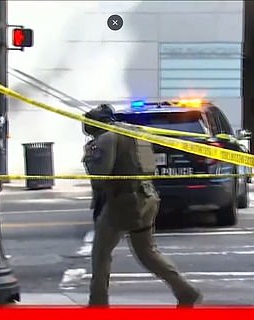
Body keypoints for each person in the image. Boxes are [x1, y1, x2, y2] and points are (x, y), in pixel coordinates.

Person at [81, 104, 202, 307]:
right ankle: (185, 291)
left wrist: (88, 157)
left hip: (122, 201)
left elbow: (100, 174)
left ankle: (98, 303)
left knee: (101, 253)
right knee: (148, 253)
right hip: (145, 196)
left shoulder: (108, 138)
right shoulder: (135, 132)